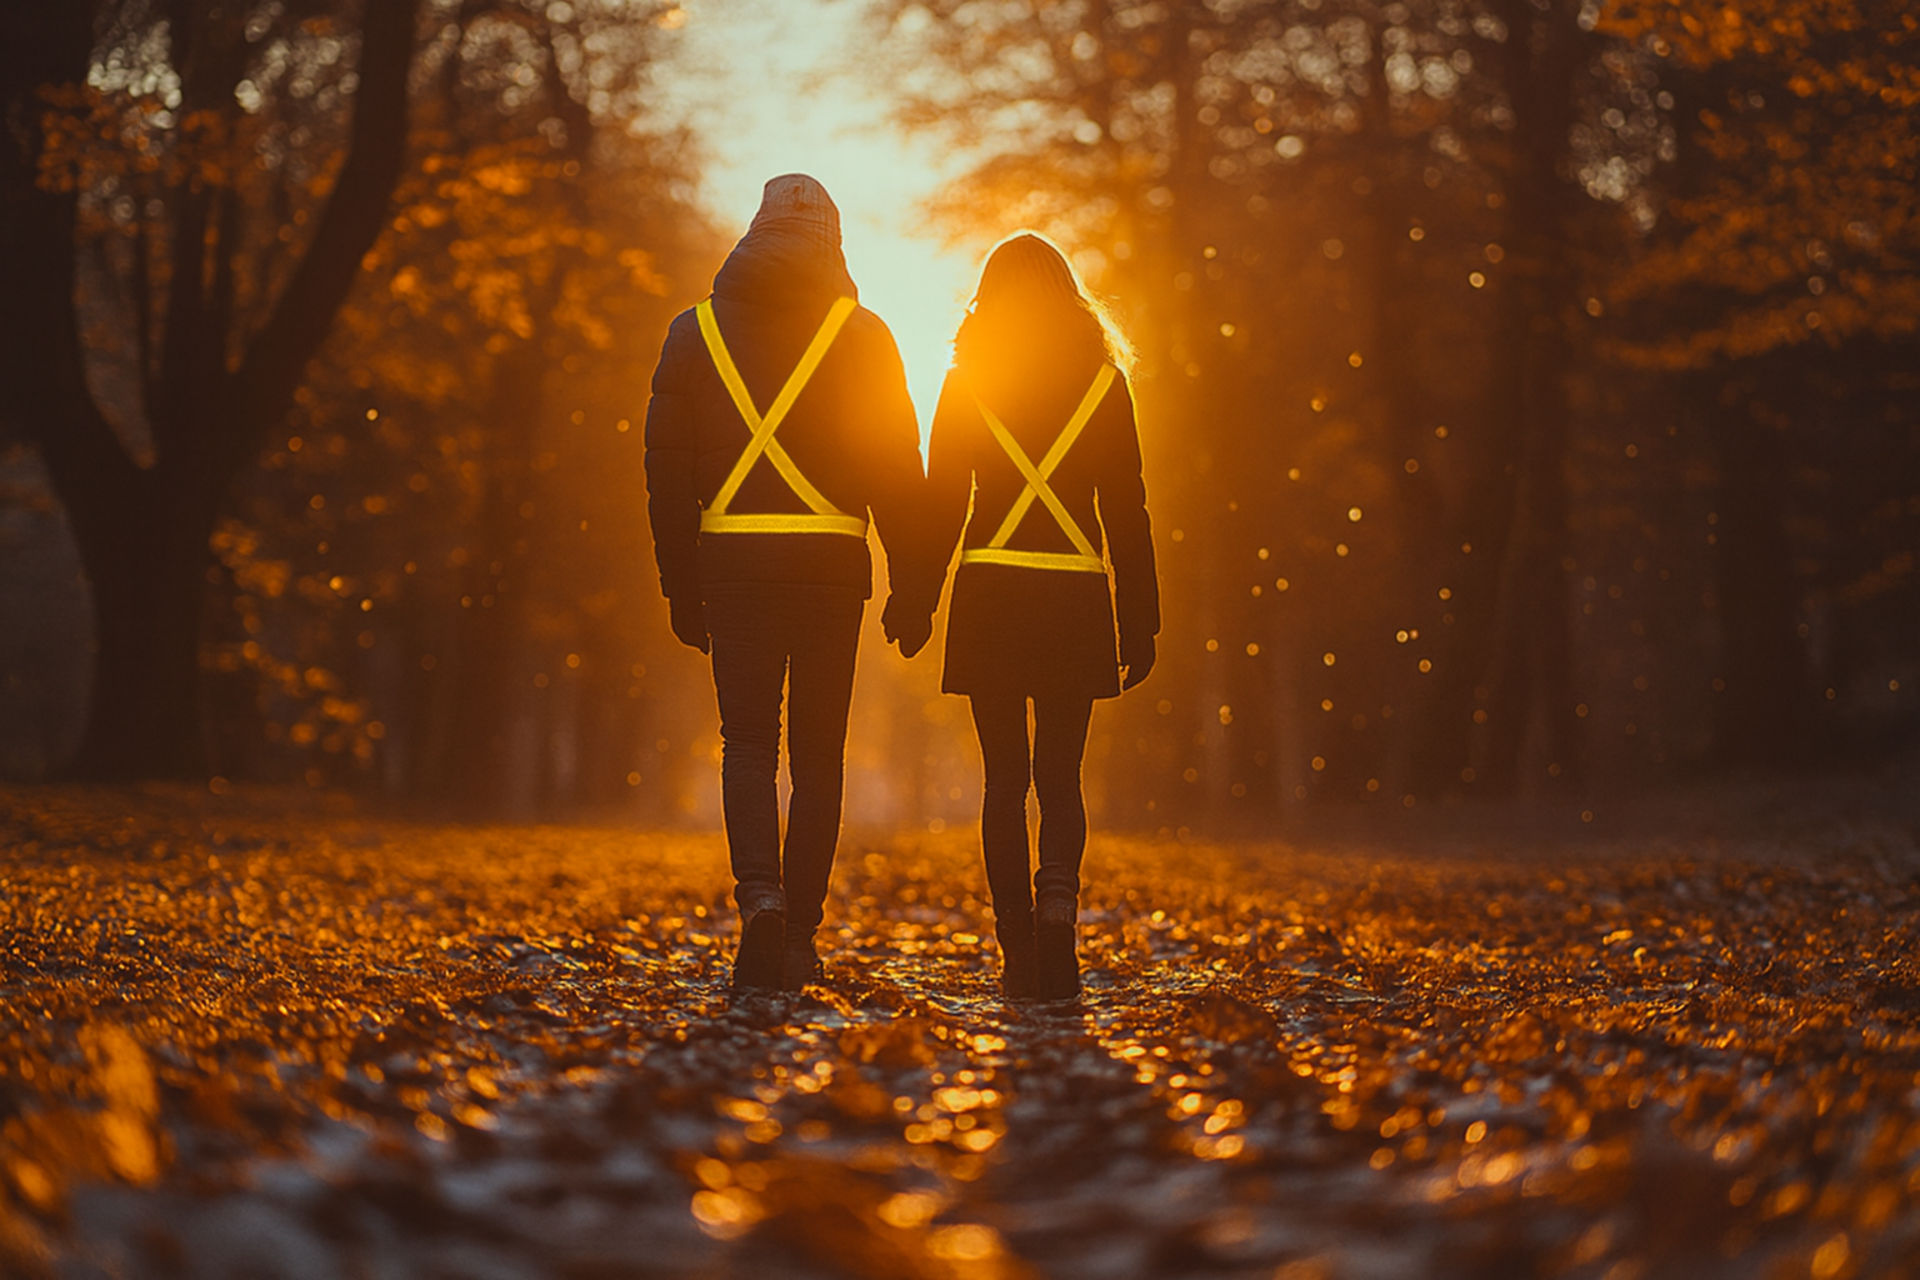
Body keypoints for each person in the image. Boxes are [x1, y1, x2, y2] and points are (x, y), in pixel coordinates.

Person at [644, 175, 933, 993]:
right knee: (818, 757)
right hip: (830, 574)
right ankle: (801, 934)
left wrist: (679, 585)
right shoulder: (864, 336)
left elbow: (664, 477)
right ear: (833, 244)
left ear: (753, 232)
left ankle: (759, 902)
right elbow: (897, 471)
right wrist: (915, 585)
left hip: (732, 570)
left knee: (746, 746)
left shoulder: (691, 333)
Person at [912, 233, 1159, 1000]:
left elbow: (943, 503)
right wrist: (1141, 617)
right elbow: (1127, 509)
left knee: (1002, 782)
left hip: (991, 595)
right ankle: (1059, 915)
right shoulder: (1104, 384)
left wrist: (917, 598)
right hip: (1074, 597)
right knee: (1060, 777)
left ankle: (1016, 946)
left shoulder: (966, 382)